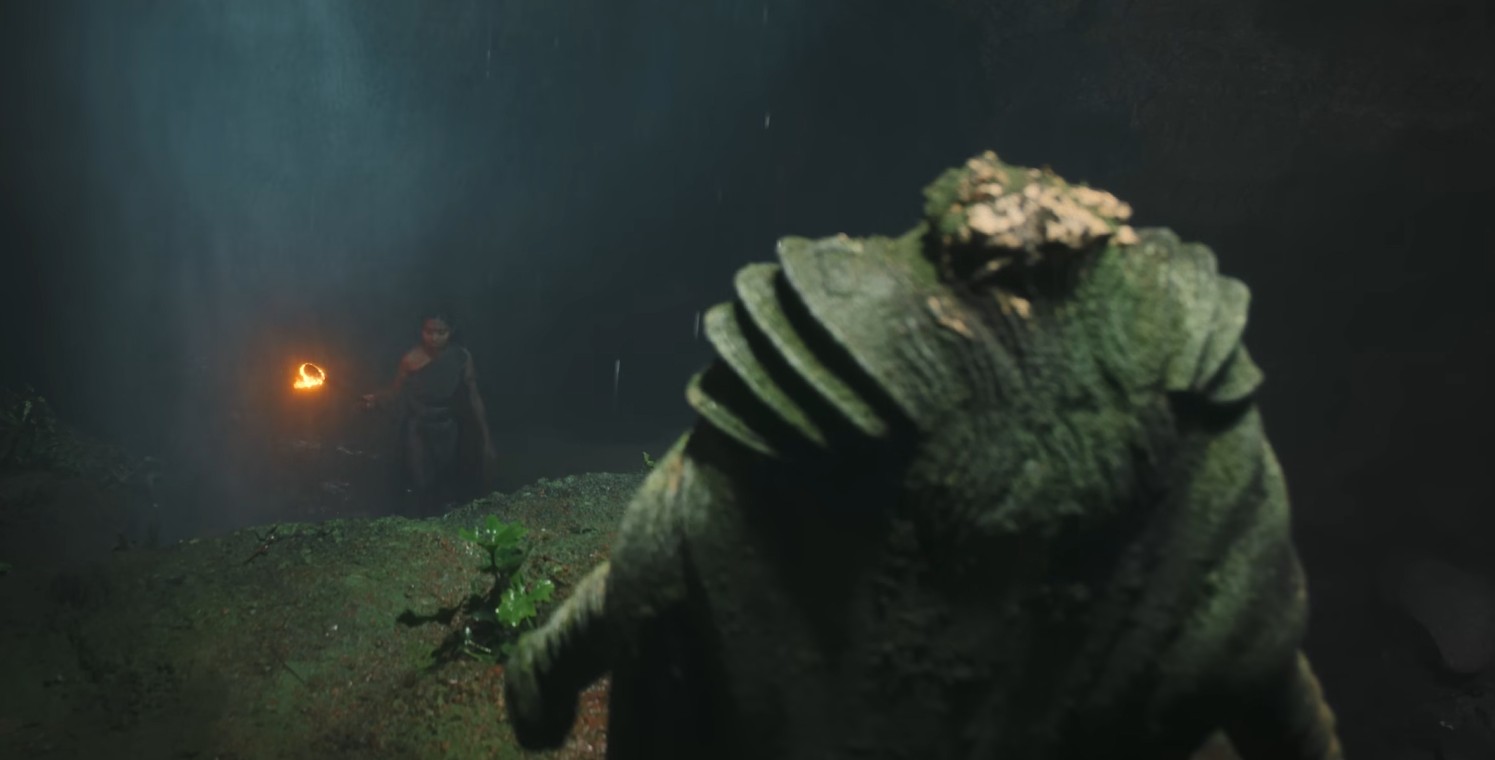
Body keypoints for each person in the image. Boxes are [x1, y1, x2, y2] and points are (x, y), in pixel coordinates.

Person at [501, 153, 1344, 759]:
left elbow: (665, 549)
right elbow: (1265, 667)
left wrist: (546, 675)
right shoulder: (1202, 451)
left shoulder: (792, 434)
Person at [363, 310, 495, 515]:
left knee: (448, 480)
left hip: (448, 426)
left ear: (451, 331)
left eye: (441, 332)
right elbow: (396, 392)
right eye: (429, 332)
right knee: (421, 481)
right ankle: (422, 521)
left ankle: (447, 522)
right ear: (422, 331)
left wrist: (485, 437)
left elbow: (473, 396)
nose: (434, 338)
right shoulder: (410, 360)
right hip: (419, 428)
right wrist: (375, 399)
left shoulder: (460, 357)